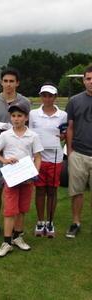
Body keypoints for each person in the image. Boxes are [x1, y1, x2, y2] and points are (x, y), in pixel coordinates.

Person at [0, 102, 43, 257]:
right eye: (13, 116)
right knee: (10, 210)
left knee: (22, 208)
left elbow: (38, 157)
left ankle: (17, 237)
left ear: (26, 118)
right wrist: (4, 160)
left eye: (20, 116)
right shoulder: (5, 135)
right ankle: (6, 242)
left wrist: (35, 173)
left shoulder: (33, 135)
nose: (16, 119)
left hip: (27, 178)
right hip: (11, 178)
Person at [0, 67, 30, 239]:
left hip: (19, 157)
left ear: (17, 83)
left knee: (18, 191)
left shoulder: (25, 102)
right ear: (1, 82)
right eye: (6, 81)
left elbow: (29, 126)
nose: (8, 84)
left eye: (12, 81)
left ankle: (17, 229)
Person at [29, 83, 67, 238]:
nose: (47, 98)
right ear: (41, 96)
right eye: (44, 95)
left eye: (50, 95)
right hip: (38, 158)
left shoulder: (63, 115)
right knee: (39, 190)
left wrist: (64, 136)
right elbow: (30, 134)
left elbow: (65, 132)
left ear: (55, 97)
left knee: (52, 190)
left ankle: (50, 222)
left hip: (55, 157)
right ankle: (40, 221)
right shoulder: (33, 114)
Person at [65, 64, 92, 238]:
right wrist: (70, 151)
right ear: (83, 81)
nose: (91, 82)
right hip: (79, 153)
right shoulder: (75, 101)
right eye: (88, 78)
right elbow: (70, 128)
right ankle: (75, 222)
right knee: (76, 191)